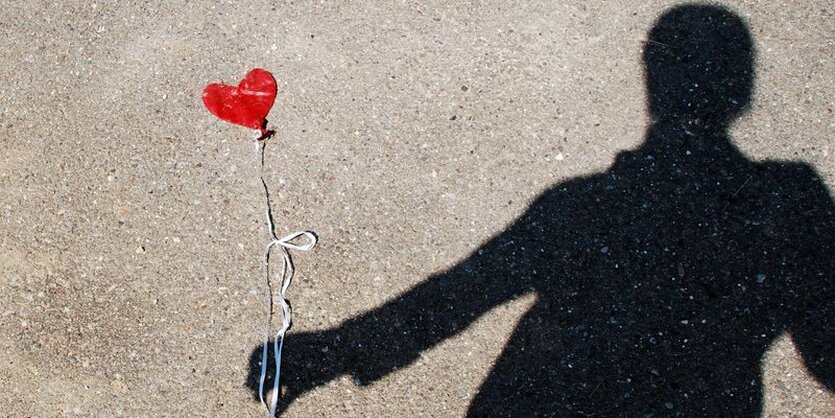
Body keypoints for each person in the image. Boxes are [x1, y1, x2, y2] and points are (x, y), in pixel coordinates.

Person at [248, 4, 834, 416]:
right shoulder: (789, 201)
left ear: (652, 87)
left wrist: (335, 352)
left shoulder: (584, 205)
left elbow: (464, 292)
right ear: (744, 94)